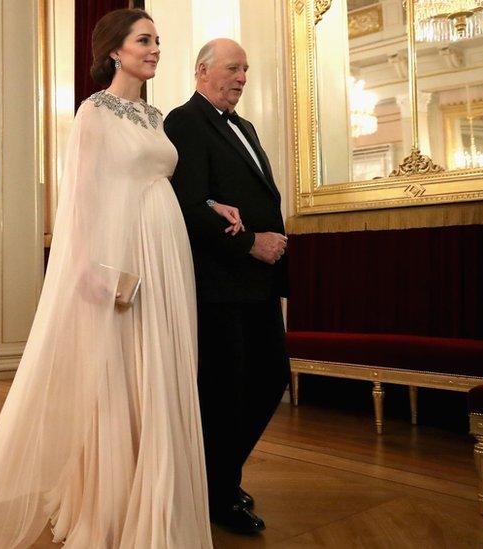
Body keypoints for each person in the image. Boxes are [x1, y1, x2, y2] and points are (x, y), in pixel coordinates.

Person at [0, 10, 243, 547]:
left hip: (168, 257)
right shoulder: (92, 115)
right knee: (124, 378)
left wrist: (211, 203)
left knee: (162, 376)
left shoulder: (153, 117)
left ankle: (156, 499)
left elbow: (156, 178)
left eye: (157, 41)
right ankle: (115, 505)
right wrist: (92, 274)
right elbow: (81, 204)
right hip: (127, 260)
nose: (155, 49)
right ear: (114, 51)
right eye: (144, 40)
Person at [163, 38, 290, 535]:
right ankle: (218, 491)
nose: (241, 77)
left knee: (269, 378)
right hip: (218, 283)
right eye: (232, 68)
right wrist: (251, 244)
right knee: (225, 393)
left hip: (256, 284)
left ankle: (216, 479)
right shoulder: (184, 122)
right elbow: (190, 206)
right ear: (201, 71)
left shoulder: (246, 127)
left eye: (246, 69)